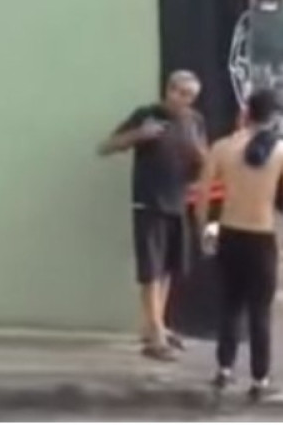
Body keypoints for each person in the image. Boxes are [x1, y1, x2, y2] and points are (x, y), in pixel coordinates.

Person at [196, 88, 283, 401]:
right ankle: (260, 378)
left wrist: (203, 228)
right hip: (261, 236)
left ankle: (224, 369)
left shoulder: (222, 147)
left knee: (230, 305)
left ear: (246, 113)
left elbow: (203, 195)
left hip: (230, 232)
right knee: (260, 310)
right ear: (274, 117)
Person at [97, 70, 207, 361]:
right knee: (151, 270)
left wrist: (198, 153)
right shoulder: (147, 115)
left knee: (169, 268)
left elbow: (205, 163)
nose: (183, 100)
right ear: (168, 90)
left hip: (178, 202)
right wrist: (139, 135)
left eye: (190, 96)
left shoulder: (195, 122)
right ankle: (156, 335)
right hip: (149, 203)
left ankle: (156, 326)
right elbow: (106, 146)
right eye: (180, 93)